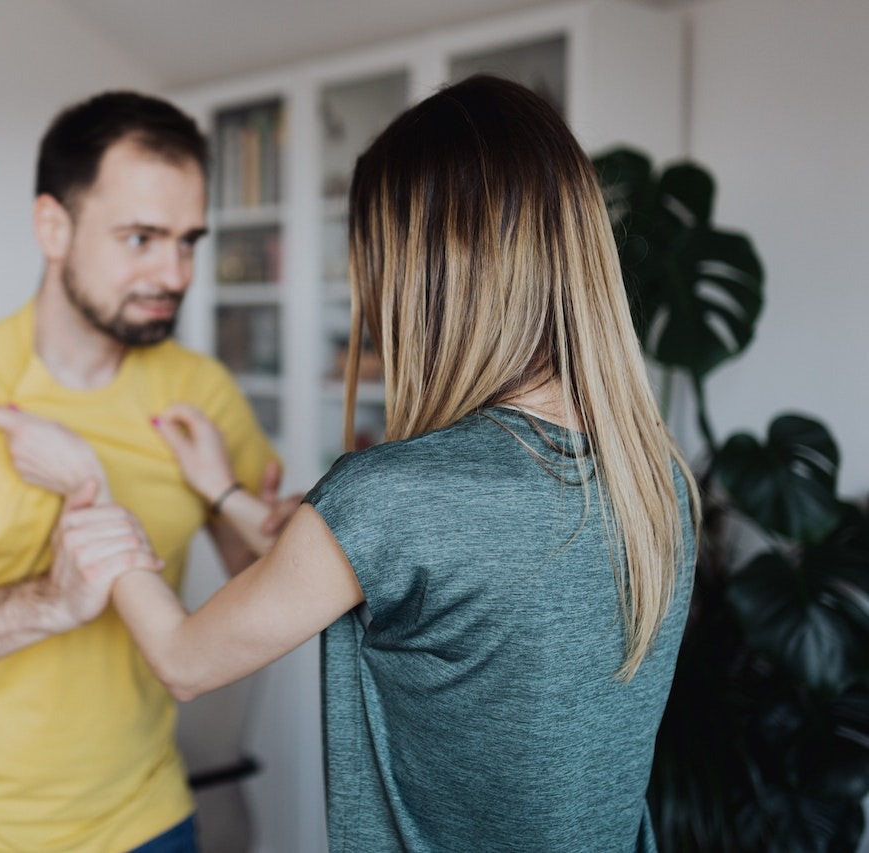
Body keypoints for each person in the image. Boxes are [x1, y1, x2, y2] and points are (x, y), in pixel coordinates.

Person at [40, 74, 701, 851]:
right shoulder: (654, 479)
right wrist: (221, 489)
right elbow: (366, 572)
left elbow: (184, 659)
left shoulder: (396, 495)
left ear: (418, 272)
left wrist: (88, 491)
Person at [0, 91, 291, 853]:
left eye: (188, 241)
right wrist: (49, 600)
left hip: (146, 820)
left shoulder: (199, 393)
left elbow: (275, 575)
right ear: (53, 227)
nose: (173, 272)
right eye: (141, 238)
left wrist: (230, 496)